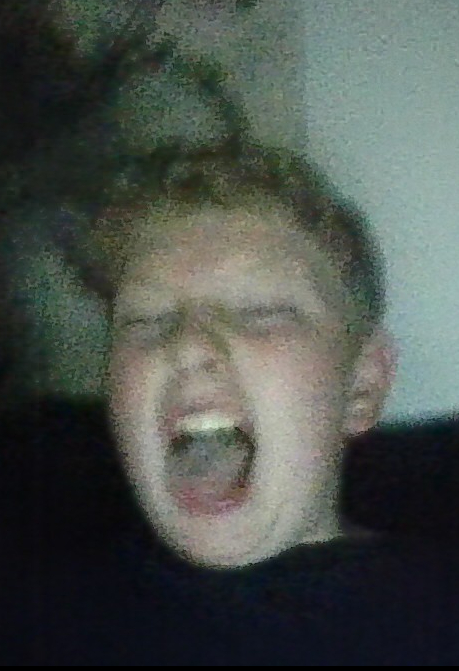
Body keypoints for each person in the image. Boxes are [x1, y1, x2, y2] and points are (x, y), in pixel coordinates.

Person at [3, 142, 458, 665]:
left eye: (259, 312)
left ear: (361, 386)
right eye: (148, 320)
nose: (189, 346)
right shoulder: (32, 616)